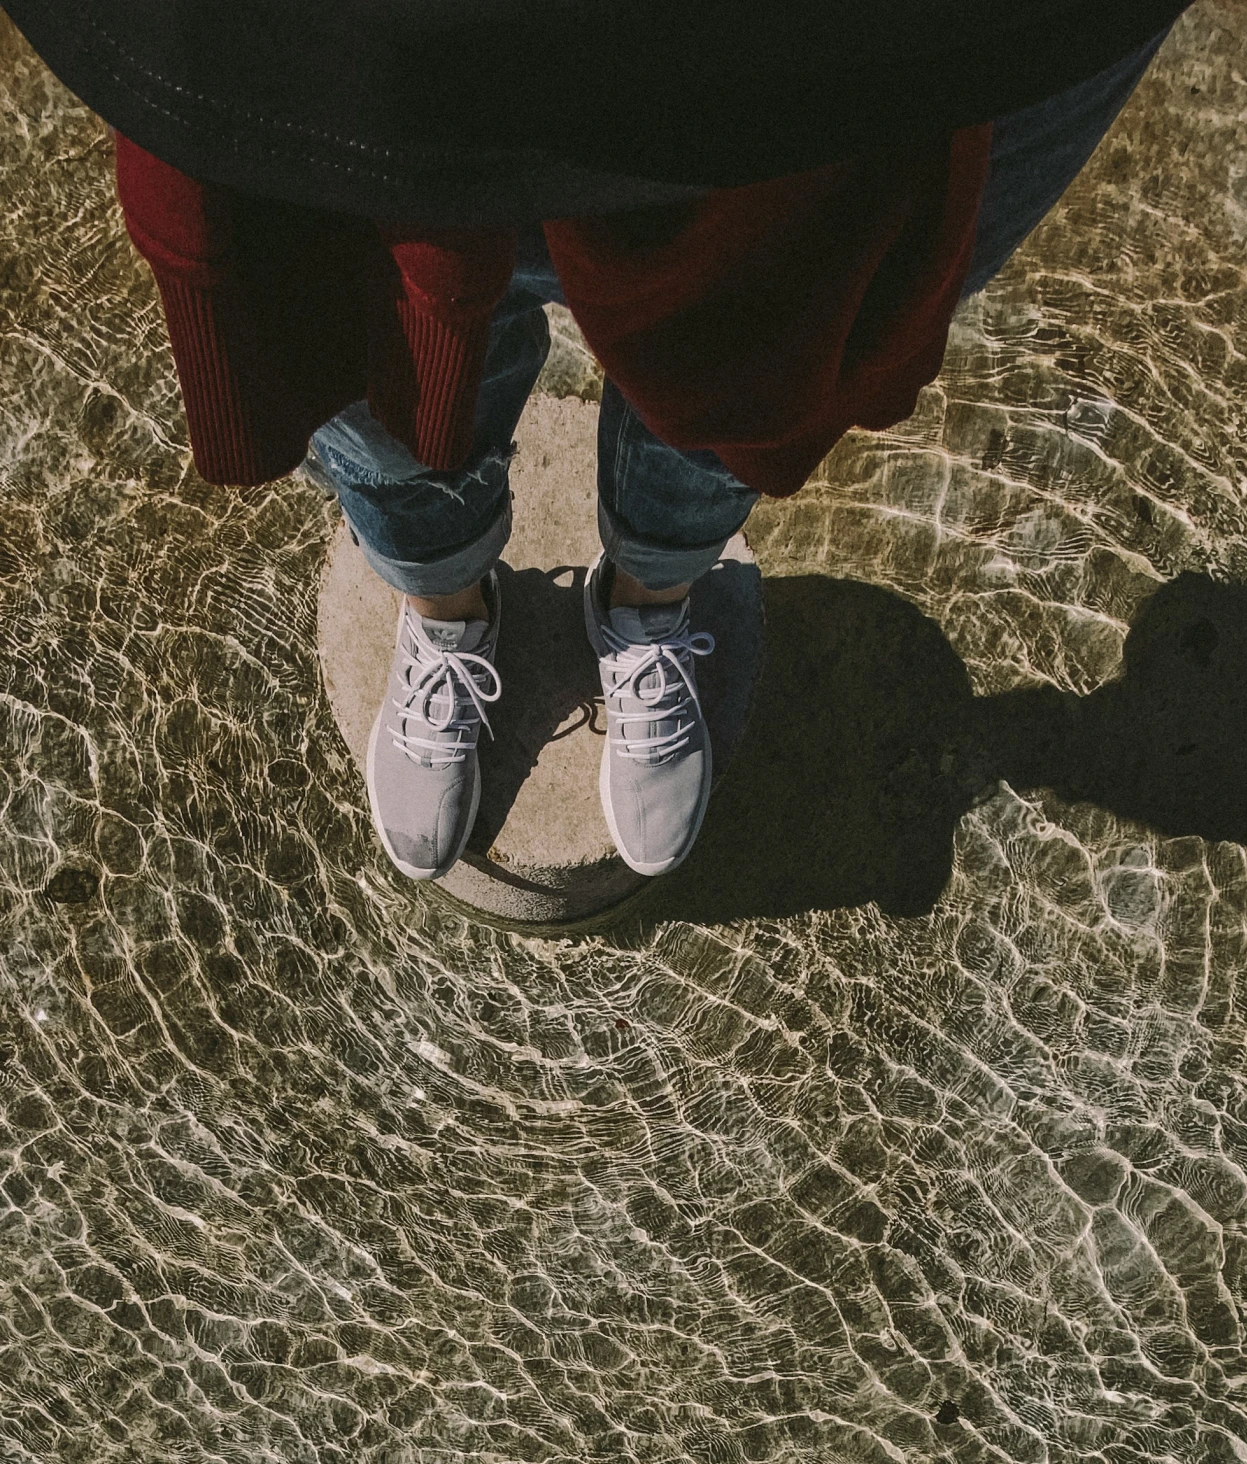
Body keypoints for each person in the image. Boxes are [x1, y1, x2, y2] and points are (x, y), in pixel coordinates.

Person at [10, 1, 1186, 892]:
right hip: (334, 56)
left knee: (763, 352)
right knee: (364, 344)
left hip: (830, 63)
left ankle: (645, 606)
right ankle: (446, 612)